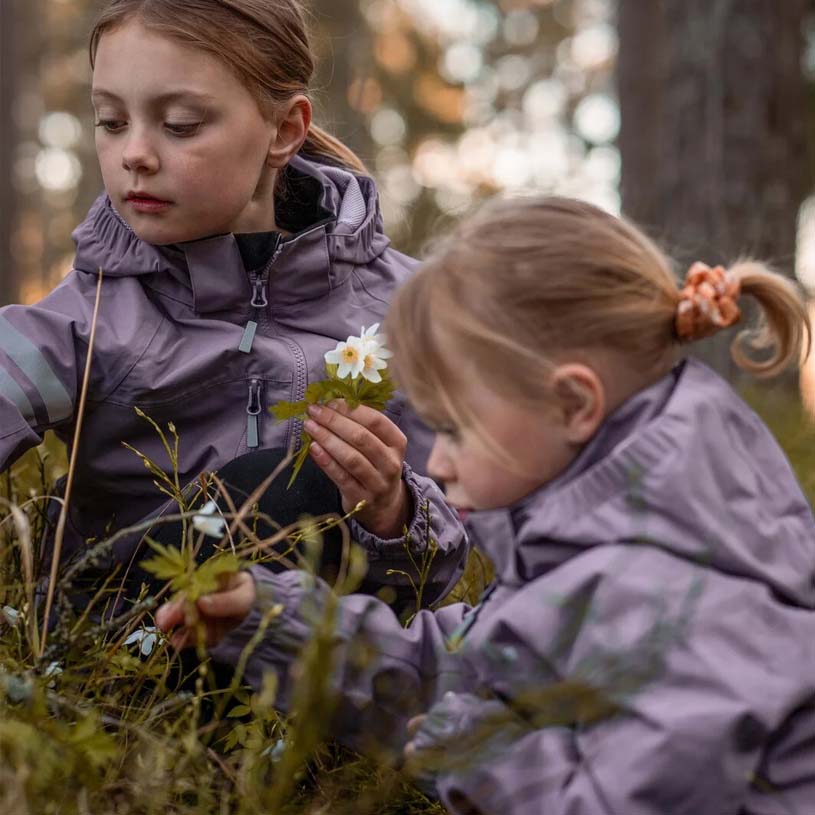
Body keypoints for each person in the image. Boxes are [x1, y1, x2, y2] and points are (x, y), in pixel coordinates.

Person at [158, 196, 815, 814]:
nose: (436, 464)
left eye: (454, 429)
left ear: (572, 404)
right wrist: (276, 624)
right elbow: (473, 669)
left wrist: (472, 752)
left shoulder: (673, 595)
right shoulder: (608, 537)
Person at [0, 0, 466, 608]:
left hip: (314, 658)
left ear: (284, 130)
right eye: (111, 121)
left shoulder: (408, 314)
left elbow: (448, 566)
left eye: (181, 124)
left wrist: (391, 509)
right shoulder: (91, 312)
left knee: (286, 487)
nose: (133, 154)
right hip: (124, 645)